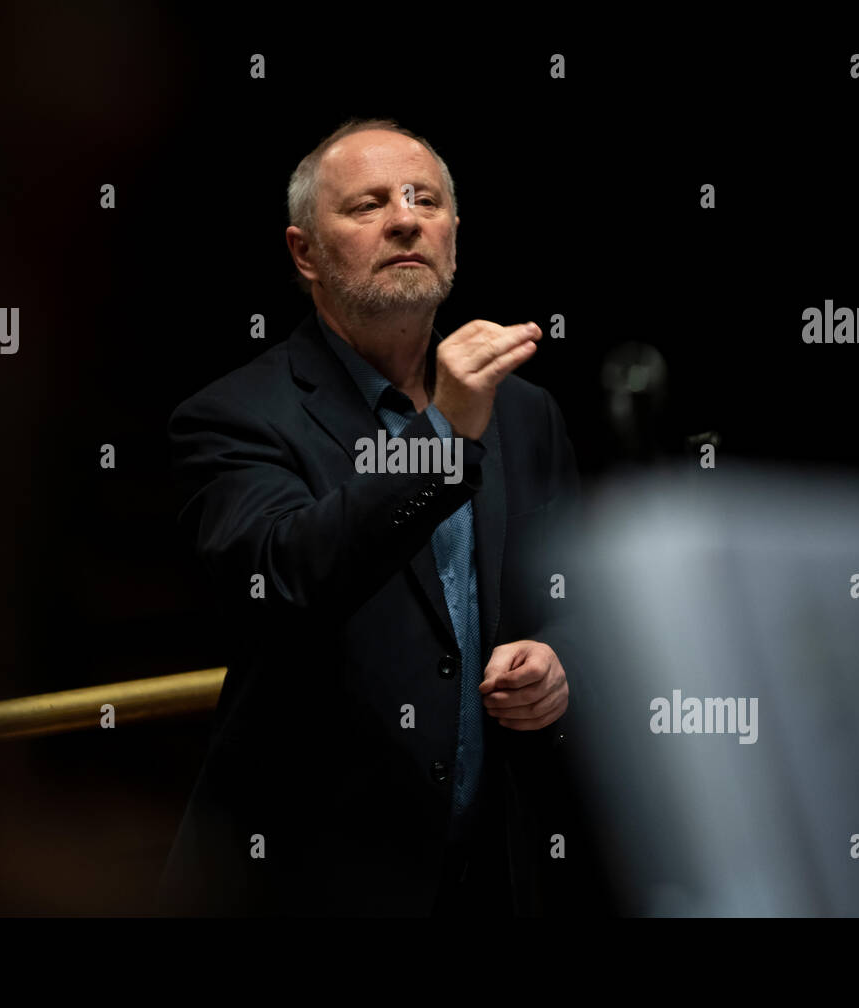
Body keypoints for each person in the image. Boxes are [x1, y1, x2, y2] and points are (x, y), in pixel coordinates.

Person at [158, 118, 588, 916]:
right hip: (311, 882)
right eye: (367, 205)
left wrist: (559, 657)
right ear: (304, 253)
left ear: (453, 237)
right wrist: (441, 438)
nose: (404, 217)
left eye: (425, 199)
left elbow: (573, 599)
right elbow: (284, 573)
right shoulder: (232, 416)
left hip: (499, 875)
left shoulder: (527, 414)